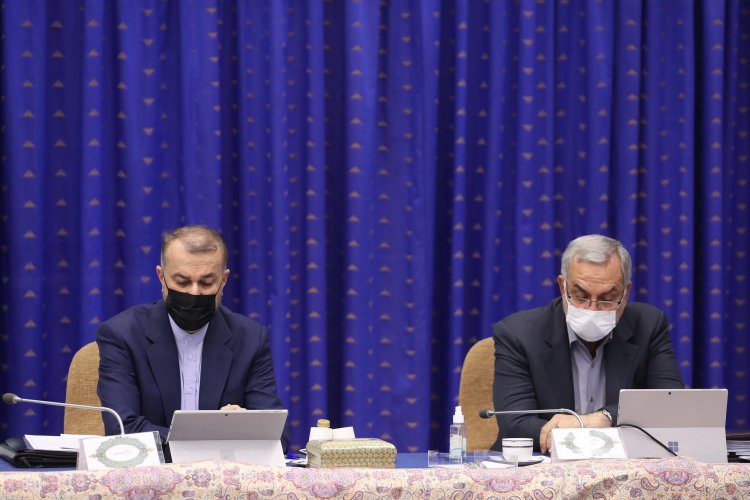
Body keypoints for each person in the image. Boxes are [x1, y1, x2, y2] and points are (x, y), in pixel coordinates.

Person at [96, 225, 290, 452]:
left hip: (222, 474)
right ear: (161, 276)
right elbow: (122, 430)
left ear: (224, 280)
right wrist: (222, 434)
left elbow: (277, 438)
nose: (194, 293)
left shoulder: (250, 338)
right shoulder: (122, 334)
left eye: (206, 283)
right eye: (182, 282)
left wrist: (245, 424)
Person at [492, 234, 684, 453]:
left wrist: (600, 419)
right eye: (580, 296)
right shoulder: (518, 334)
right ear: (563, 287)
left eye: (607, 298)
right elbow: (516, 425)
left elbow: (670, 404)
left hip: (623, 466)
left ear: (625, 293)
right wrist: (582, 435)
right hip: (542, 465)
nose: (592, 309)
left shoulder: (648, 326)